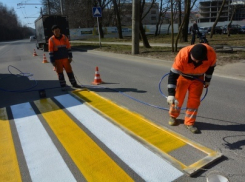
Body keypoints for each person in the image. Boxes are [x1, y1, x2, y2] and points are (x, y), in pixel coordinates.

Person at [167, 43, 216, 133]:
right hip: (183, 77)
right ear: (190, 54)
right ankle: (173, 116)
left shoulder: (210, 53)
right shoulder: (183, 54)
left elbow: (211, 68)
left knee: (194, 101)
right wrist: (170, 94)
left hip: (198, 79)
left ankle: (189, 123)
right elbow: (173, 75)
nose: (197, 62)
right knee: (177, 98)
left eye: (199, 60)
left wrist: (207, 80)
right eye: (195, 59)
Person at [49, 24, 80, 91]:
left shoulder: (64, 37)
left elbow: (68, 47)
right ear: (53, 32)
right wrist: (52, 61)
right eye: (55, 31)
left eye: (58, 30)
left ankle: (74, 84)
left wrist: (70, 57)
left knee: (69, 71)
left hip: (65, 58)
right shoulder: (51, 40)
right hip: (57, 59)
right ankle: (63, 86)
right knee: (60, 73)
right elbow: (50, 51)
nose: (57, 32)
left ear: (60, 30)